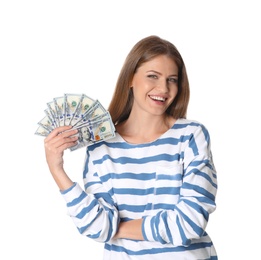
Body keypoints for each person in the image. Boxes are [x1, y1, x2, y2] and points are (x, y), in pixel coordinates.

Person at [44, 35, 218, 259]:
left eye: (172, 79)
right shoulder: (101, 147)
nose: (163, 88)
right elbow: (97, 228)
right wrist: (57, 170)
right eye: (152, 76)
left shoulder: (191, 136)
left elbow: (188, 223)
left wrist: (117, 229)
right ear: (130, 79)